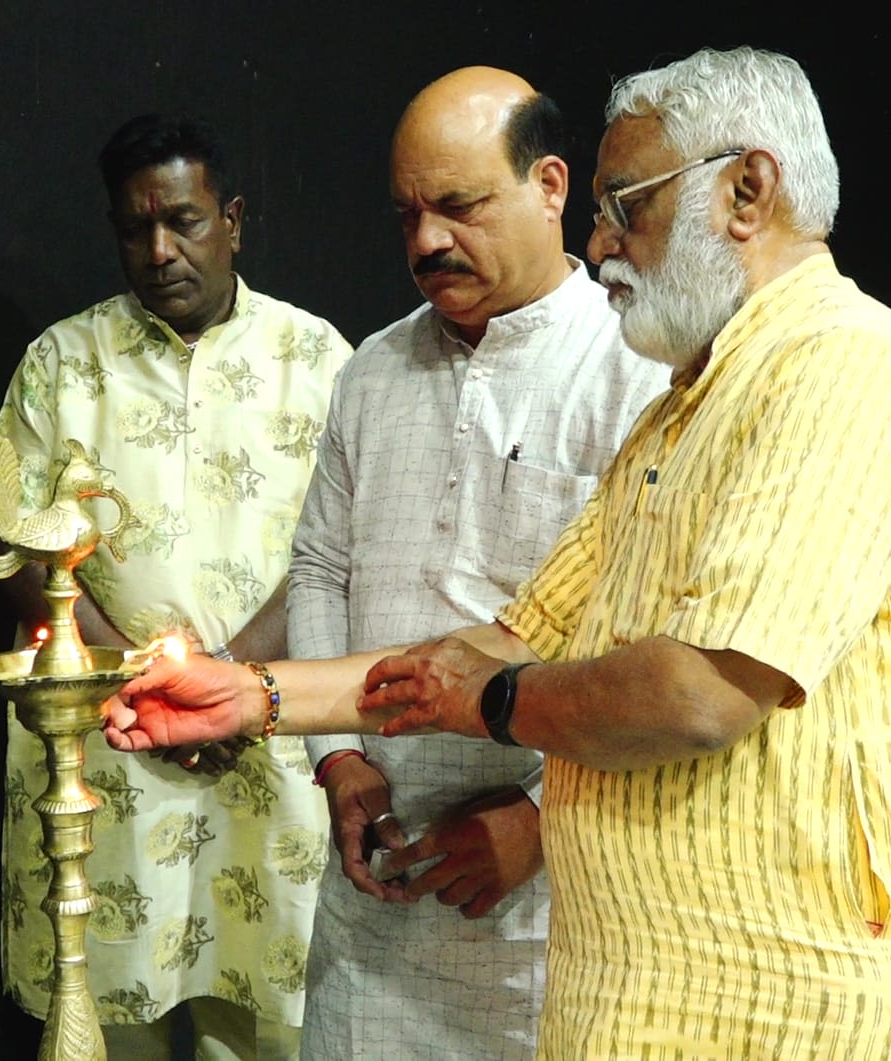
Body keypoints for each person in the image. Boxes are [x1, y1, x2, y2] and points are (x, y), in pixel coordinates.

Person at [105, 46, 891, 1058]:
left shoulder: (846, 373)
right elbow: (508, 639)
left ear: (747, 189)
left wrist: (496, 716)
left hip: (827, 1005)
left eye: (625, 205)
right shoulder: (684, 409)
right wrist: (258, 694)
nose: (602, 245)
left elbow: (699, 694)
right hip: (654, 994)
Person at [288, 67, 668, 1058]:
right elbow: (321, 567)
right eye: (408, 214)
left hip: (552, 915)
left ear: (551, 185)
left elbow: (668, 650)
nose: (425, 241)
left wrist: (540, 821)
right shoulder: (373, 369)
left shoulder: (634, 372)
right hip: (371, 903)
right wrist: (342, 763)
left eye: (459, 206)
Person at [0, 113, 353, 1060]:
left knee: (265, 1018)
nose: (158, 250)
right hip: (108, 750)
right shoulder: (64, 364)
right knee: (111, 1019)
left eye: (182, 221)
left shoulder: (318, 359)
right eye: (134, 228)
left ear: (232, 218)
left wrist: (227, 685)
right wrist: (120, 677)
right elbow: (2, 530)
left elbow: (344, 547)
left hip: (266, 739)